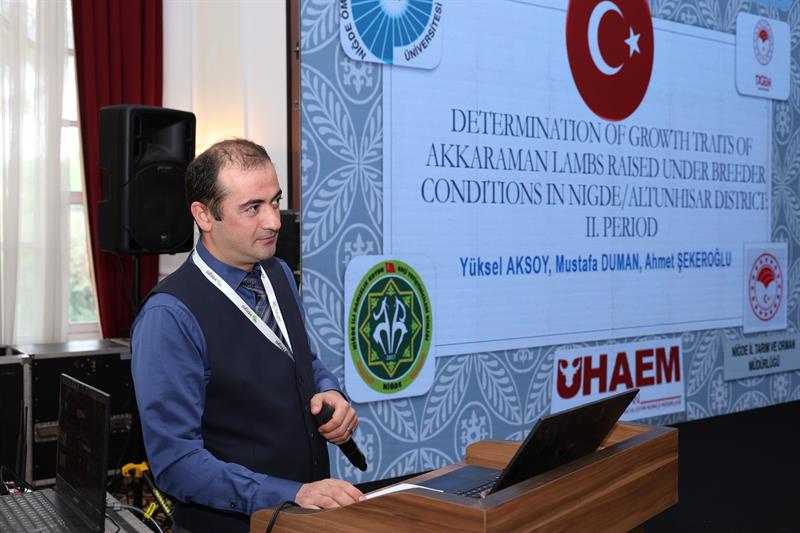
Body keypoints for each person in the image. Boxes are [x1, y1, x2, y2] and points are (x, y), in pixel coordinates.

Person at [131, 139, 364, 533]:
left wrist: (329, 391)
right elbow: (176, 464)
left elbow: (301, 361)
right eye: (253, 208)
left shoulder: (279, 274)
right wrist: (290, 493)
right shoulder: (168, 316)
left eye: (275, 201)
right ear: (204, 215)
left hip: (304, 522)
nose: (273, 221)